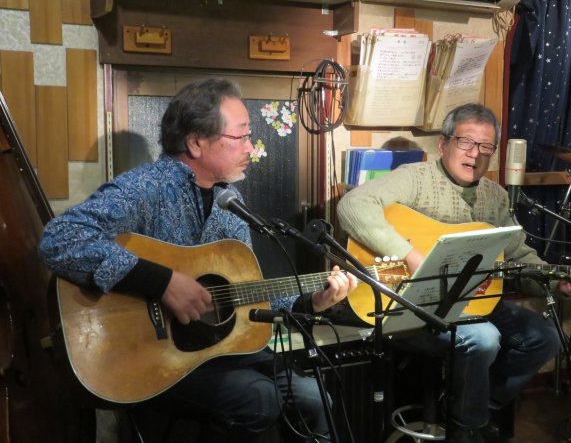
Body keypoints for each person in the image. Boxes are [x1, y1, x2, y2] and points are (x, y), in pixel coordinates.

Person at [39, 78, 357, 442]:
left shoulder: (229, 202)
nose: (250, 147)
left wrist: (311, 301)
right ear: (195, 143)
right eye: (241, 136)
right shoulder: (146, 187)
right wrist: (162, 282)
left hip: (219, 351)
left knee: (315, 399)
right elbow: (59, 239)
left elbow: (244, 294)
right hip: (149, 358)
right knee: (259, 399)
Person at [337, 103, 571, 443]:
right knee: (483, 339)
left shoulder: (496, 196)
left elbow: (517, 253)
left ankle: (474, 408)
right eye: (466, 141)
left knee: (544, 337)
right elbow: (352, 205)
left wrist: (554, 282)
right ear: (443, 145)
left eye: (486, 146)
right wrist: (411, 256)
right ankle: (469, 431)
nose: (475, 153)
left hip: (471, 303)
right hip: (410, 306)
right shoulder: (416, 178)